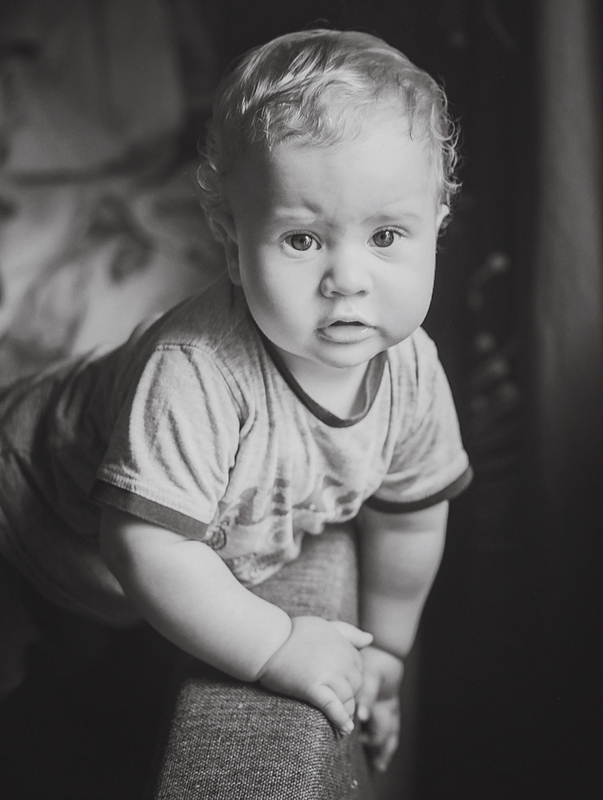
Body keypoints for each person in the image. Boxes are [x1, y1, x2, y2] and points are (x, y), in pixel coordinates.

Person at [0, 29, 472, 773]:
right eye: (302, 240)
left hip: (109, 576)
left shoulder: (412, 373)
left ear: (436, 230)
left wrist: (386, 648)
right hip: (28, 507)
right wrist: (277, 644)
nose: (348, 280)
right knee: (35, 708)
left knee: (96, 693)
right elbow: (146, 546)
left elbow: (409, 518)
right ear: (231, 244)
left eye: (386, 235)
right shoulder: (197, 371)